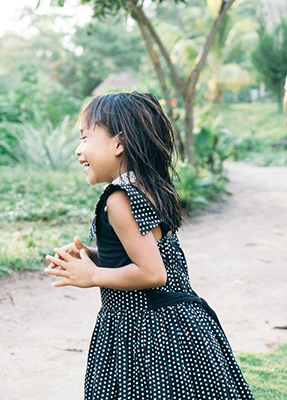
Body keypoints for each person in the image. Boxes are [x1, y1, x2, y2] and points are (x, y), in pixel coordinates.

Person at [44, 92, 253, 399]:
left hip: (145, 331)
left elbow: (152, 273)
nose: (78, 150)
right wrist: (91, 257)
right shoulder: (146, 187)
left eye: (85, 138)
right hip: (175, 325)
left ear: (118, 143)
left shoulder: (120, 197)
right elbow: (145, 254)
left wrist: (92, 276)